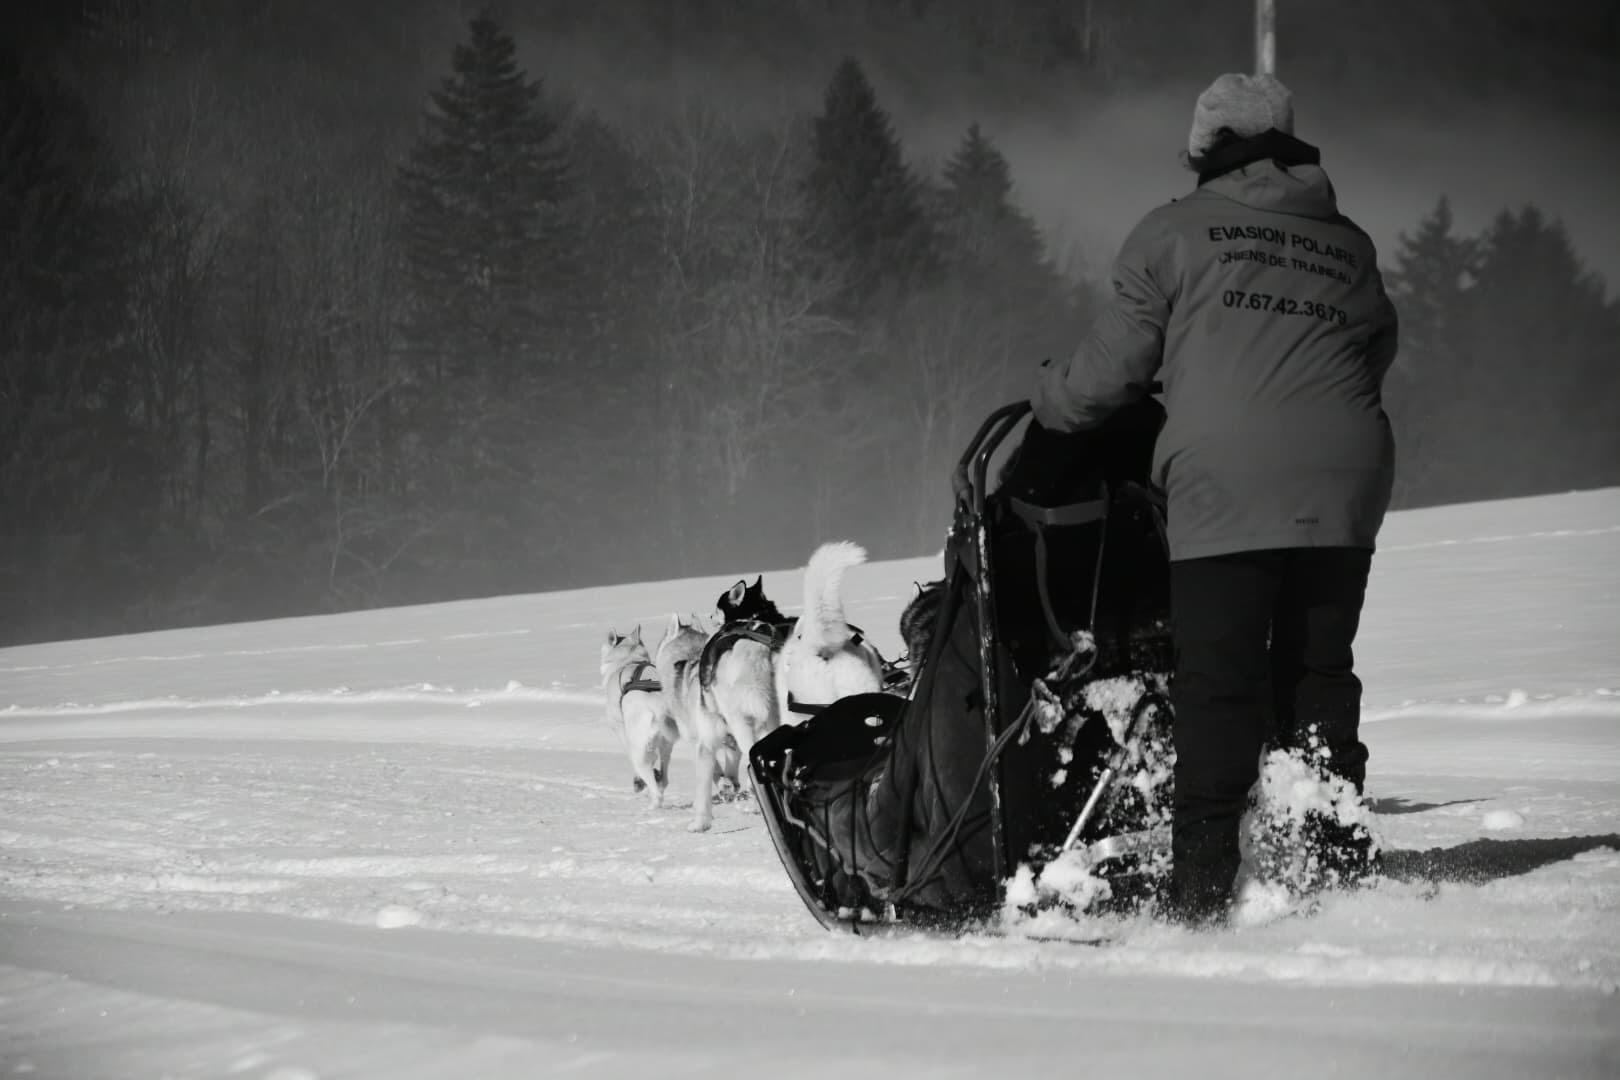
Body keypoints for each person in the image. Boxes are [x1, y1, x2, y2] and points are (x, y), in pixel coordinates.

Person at [1030, 73, 1400, 927]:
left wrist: (1050, 396)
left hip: (1228, 482)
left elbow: (1111, 372)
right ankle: (1334, 867)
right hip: (1345, 476)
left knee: (1218, 683)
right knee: (1317, 671)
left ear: (1207, 149)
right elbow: (1376, 349)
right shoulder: (1349, 244)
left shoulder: (1173, 231)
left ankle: (1200, 897)